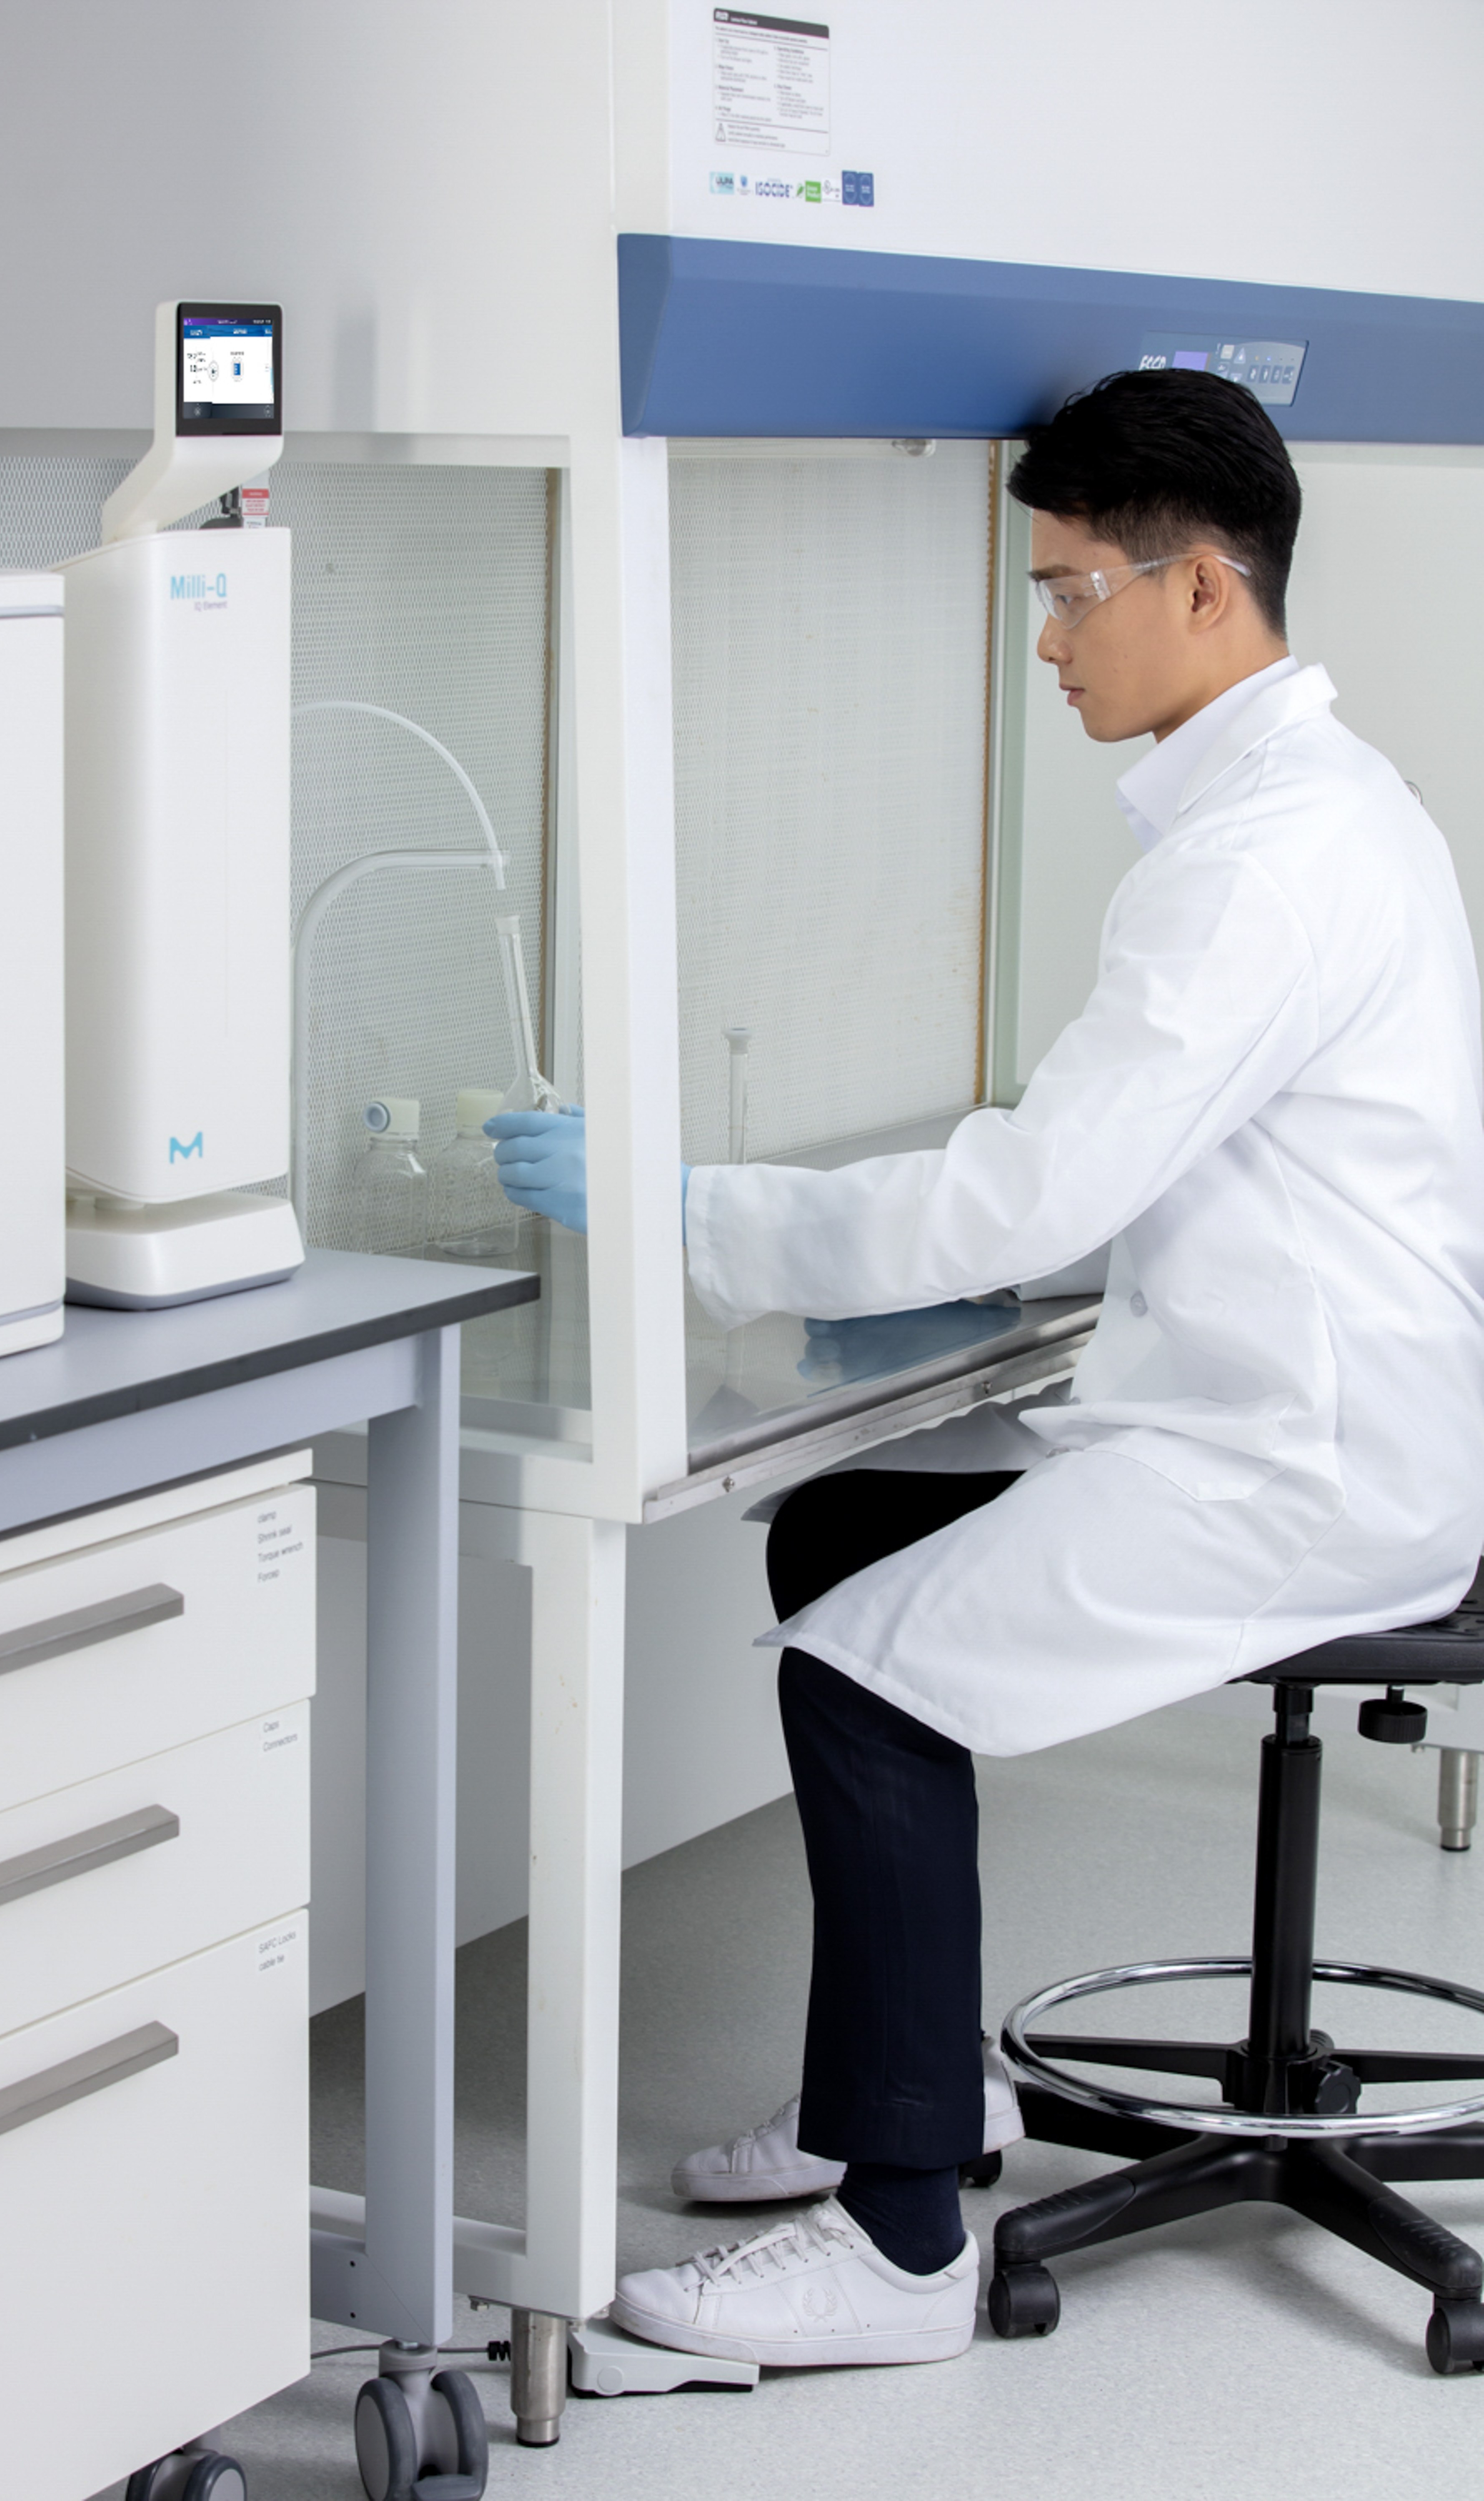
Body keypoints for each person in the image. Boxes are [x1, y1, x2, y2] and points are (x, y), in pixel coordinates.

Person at [486, 367, 1484, 2371]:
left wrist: (680, 1201)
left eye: (1072, 589)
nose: (1045, 637)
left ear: (1202, 589)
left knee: (849, 1676)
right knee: (841, 1530)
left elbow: (1030, 1198)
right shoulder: (1315, 801)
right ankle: (921, 2091)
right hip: (1322, 1410)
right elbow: (1149, 1165)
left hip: (1301, 1465)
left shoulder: (1256, 861)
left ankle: (901, 2246)